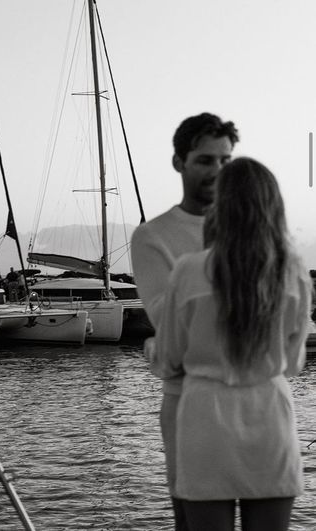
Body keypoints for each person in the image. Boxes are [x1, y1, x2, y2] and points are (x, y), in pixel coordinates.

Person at [156, 157, 311, 531]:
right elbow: (292, 364)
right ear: (273, 206)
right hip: (268, 414)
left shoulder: (190, 270)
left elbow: (171, 358)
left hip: (205, 419)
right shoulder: (293, 273)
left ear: (219, 206)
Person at [131, 112, 239, 530]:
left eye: (226, 161)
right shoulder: (153, 236)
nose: (217, 171)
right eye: (205, 160)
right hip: (189, 403)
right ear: (179, 162)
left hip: (256, 404)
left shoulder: (251, 229)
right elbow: (168, 321)